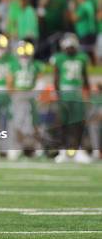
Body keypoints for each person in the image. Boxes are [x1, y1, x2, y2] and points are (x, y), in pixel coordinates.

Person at [51, 33, 91, 163]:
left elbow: (85, 78)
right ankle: (63, 150)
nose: (70, 49)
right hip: (65, 92)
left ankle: (78, 149)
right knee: (63, 123)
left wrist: (87, 93)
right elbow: (56, 78)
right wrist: (58, 94)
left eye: (72, 46)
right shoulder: (59, 58)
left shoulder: (82, 57)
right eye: (68, 46)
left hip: (77, 93)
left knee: (78, 123)